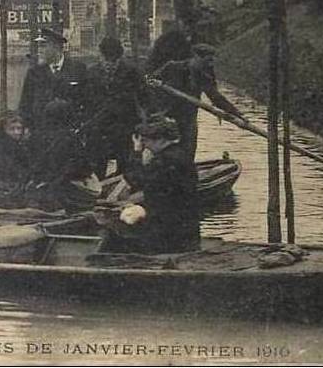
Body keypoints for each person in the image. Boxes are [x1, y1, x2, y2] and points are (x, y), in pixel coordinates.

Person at [105, 113, 200, 254]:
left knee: (111, 233)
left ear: (160, 139)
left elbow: (134, 180)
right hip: (184, 226)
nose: (145, 145)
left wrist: (137, 153)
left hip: (167, 230)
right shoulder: (180, 155)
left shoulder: (164, 160)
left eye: (146, 141)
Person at [148, 30, 243, 163]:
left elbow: (215, 97)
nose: (209, 64)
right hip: (167, 118)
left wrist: (236, 113)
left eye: (211, 61)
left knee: (187, 154)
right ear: (195, 57)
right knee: (164, 154)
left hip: (188, 120)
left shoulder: (204, 75)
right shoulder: (172, 68)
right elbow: (149, 83)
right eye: (207, 60)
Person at [84, 35, 144, 178]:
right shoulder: (90, 73)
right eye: (107, 60)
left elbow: (144, 97)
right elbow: (84, 100)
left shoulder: (132, 72)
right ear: (100, 56)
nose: (110, 64)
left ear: (120, 58)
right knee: (97, 168)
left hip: (124, 128)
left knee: (127, 169)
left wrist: (142, 123)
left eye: (114, 60)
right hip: (98, 129)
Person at [27, 98, 99, 213]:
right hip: (65, 192)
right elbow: (83, 167)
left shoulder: (34, 137)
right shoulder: (70, 137)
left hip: (39, 187)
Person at [18, 27, 89, 133]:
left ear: (56, 46)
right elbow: (25, 105)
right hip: (41, 132)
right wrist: (28, 129)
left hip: (69, 132)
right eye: (39, 46)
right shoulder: (34, 73)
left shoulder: (78, 69)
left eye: (43, 46)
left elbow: (86, 101)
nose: (40, 50)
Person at [0, 110, 32, 209]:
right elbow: (17, 173)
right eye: (12, 129)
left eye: (19, 129)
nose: (17, 132)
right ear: (3, 130)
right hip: (8, 195)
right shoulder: (9, 148)